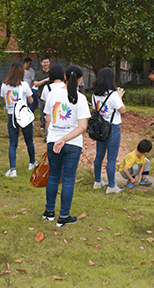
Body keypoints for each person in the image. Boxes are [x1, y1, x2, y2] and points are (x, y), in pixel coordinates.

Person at [43, 65, 91, 228]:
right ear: (80, 79)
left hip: (53, 142)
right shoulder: (81, 98)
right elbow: (83, 126)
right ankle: (63, 216)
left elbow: (48, 119)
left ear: (64, 76)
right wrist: (65, 139)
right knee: (68, 179)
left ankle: (49, 212)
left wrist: (54, 137)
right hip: (72, 144)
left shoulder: (52, 94)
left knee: (54, 176)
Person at [92, 67, 126, 194]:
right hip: (113, 127)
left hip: (100, 127)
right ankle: (111, 186)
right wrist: (120, 96)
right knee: (111, 158)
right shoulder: (113, 95)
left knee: (99, 155)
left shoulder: (94, 94)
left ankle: (98, 181)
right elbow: (122, 110)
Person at [1, 61, 35, 177]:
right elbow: (31, 101)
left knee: (12, 144)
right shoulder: (24, 85)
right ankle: (32, 162)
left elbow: (4, 99)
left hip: (11, 116)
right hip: (23, 116)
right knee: (29, 141)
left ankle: (13, 169)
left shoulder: (4, 85)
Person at [39, 64, 66, 141]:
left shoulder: (46, 88)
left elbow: (45, 104)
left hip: (51, 118)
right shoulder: (67, 87)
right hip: (63, 116)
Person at [34, 56, 51, 131]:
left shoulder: (52, 72)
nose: (46, 64)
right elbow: (35, 84)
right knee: (43, 117)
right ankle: (45, 133)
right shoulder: (38, 73)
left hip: (51, 98)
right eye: (44, 62)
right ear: (41, 63)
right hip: (41, 98)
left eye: (47, 62)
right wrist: (45, 80)